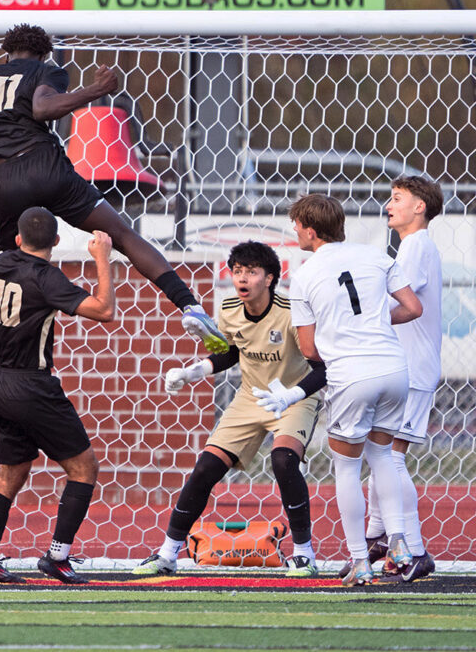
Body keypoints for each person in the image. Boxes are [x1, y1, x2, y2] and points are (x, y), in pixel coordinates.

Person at [0, 23, 228, 356]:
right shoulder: (46, 70)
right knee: (123, 235)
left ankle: (14, 359)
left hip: (5, 180)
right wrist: (93, 90)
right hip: (47, 168)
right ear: (44, 53)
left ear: (6, 53)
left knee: (8, 270)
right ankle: (189, 305)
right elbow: (43, 109)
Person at [133, 241, 327, 579]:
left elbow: (322, 367)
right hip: (250, 397)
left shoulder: (292, 312)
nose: (243, 278)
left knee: (283, 460)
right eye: (238, 271)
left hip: (293, 397)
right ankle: (167, 554)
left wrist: (292, 395)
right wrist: (194, 371)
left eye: (252, 271)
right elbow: (229, 352)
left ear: (269, 278)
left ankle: (303, 554)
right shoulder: (229, 308)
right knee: (206, 467)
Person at [0, 207, 115, 585]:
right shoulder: (47, 278)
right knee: (84, 468)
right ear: (55, 241)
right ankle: (58, 556)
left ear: (18, 239)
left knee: (11, 471)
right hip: (33, 384)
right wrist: (103, 259)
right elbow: (104, 310)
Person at [286, 194, 423, 586]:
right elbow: (413, 307)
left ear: (311, 230)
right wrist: (375, 324)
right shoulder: (377, 256)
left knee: (346, 467)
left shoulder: (306, 275)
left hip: (352, 374)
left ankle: (360, 560)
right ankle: (398, 542)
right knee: (382, 456)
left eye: (296, 224)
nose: (294, 230)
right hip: (395, 368)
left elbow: (310, 349)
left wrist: (342, 336)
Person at [344, 177, 443, 582]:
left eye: (397, 199)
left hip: (412, 367)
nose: (389, 205)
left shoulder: (418, 245)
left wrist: (359, 320)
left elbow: (408, 305)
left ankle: (416, 550)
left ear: (419, 207)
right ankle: (378, 537)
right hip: (402, 366)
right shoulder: (410, 247)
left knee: (390, 457)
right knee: (377, 453)